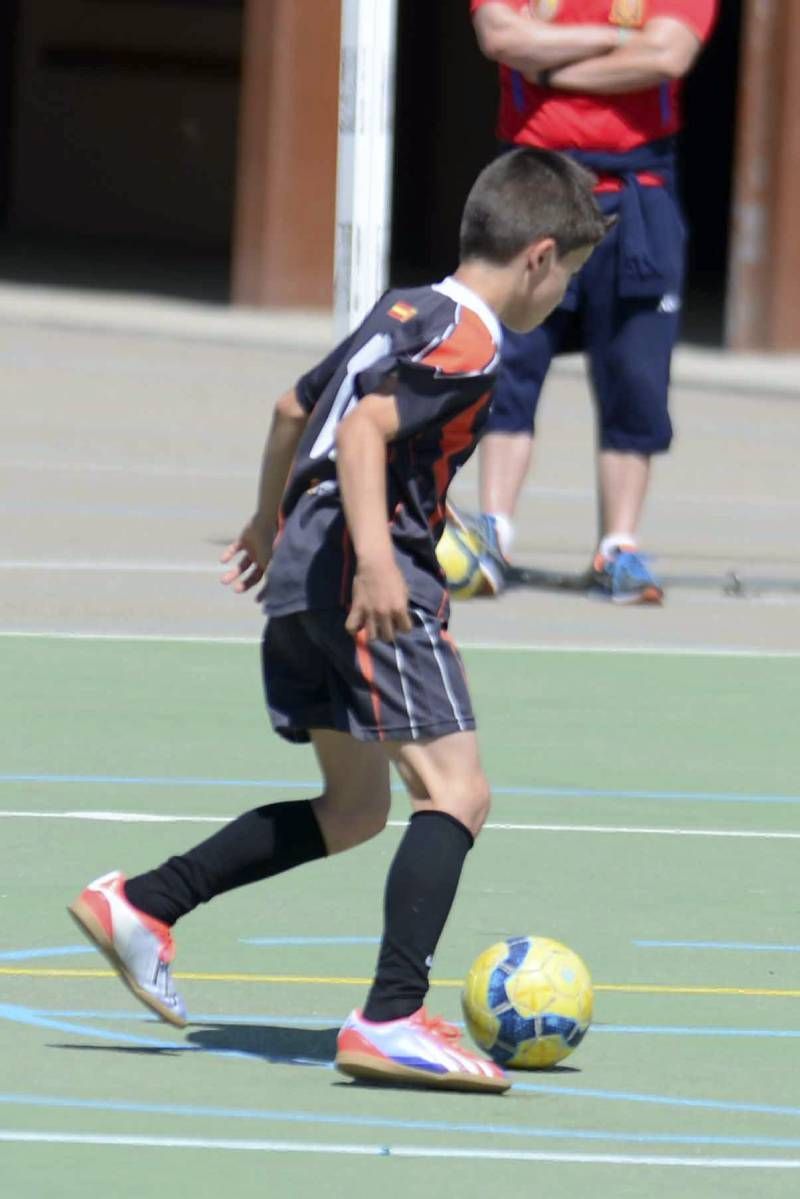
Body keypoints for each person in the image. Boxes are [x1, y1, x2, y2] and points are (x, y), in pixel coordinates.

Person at [67, 148, 610, 1094]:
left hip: (301, 576)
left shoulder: (406, 307)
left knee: (356, 808)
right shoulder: (474, 340)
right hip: (370, 579)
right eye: (569, 274)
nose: (563, 296)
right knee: (459, 792)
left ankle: (145, 903)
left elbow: (293, 408)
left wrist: (264, 522)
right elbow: (361, 430)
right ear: (537, 256)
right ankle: (394, 1015)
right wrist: (371, 558)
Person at [467, 0, 718, 603]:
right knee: (510, 362)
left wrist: (552, 63)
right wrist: (613, 40)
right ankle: (493, 536)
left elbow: (667, 53)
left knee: (636, 371)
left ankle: (618, 548)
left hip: (636, 192)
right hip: (532, 182)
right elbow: (502, 37)